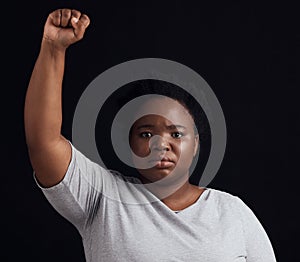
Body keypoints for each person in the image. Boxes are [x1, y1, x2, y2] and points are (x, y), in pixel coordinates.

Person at [24, 8, 277, 262]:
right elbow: (43, 143)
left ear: (196, 144)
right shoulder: (102, 198)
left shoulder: (232, 213)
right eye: (145, 134)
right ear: (129, 143)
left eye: (176, 134)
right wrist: (53, 49)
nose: (161, 144)